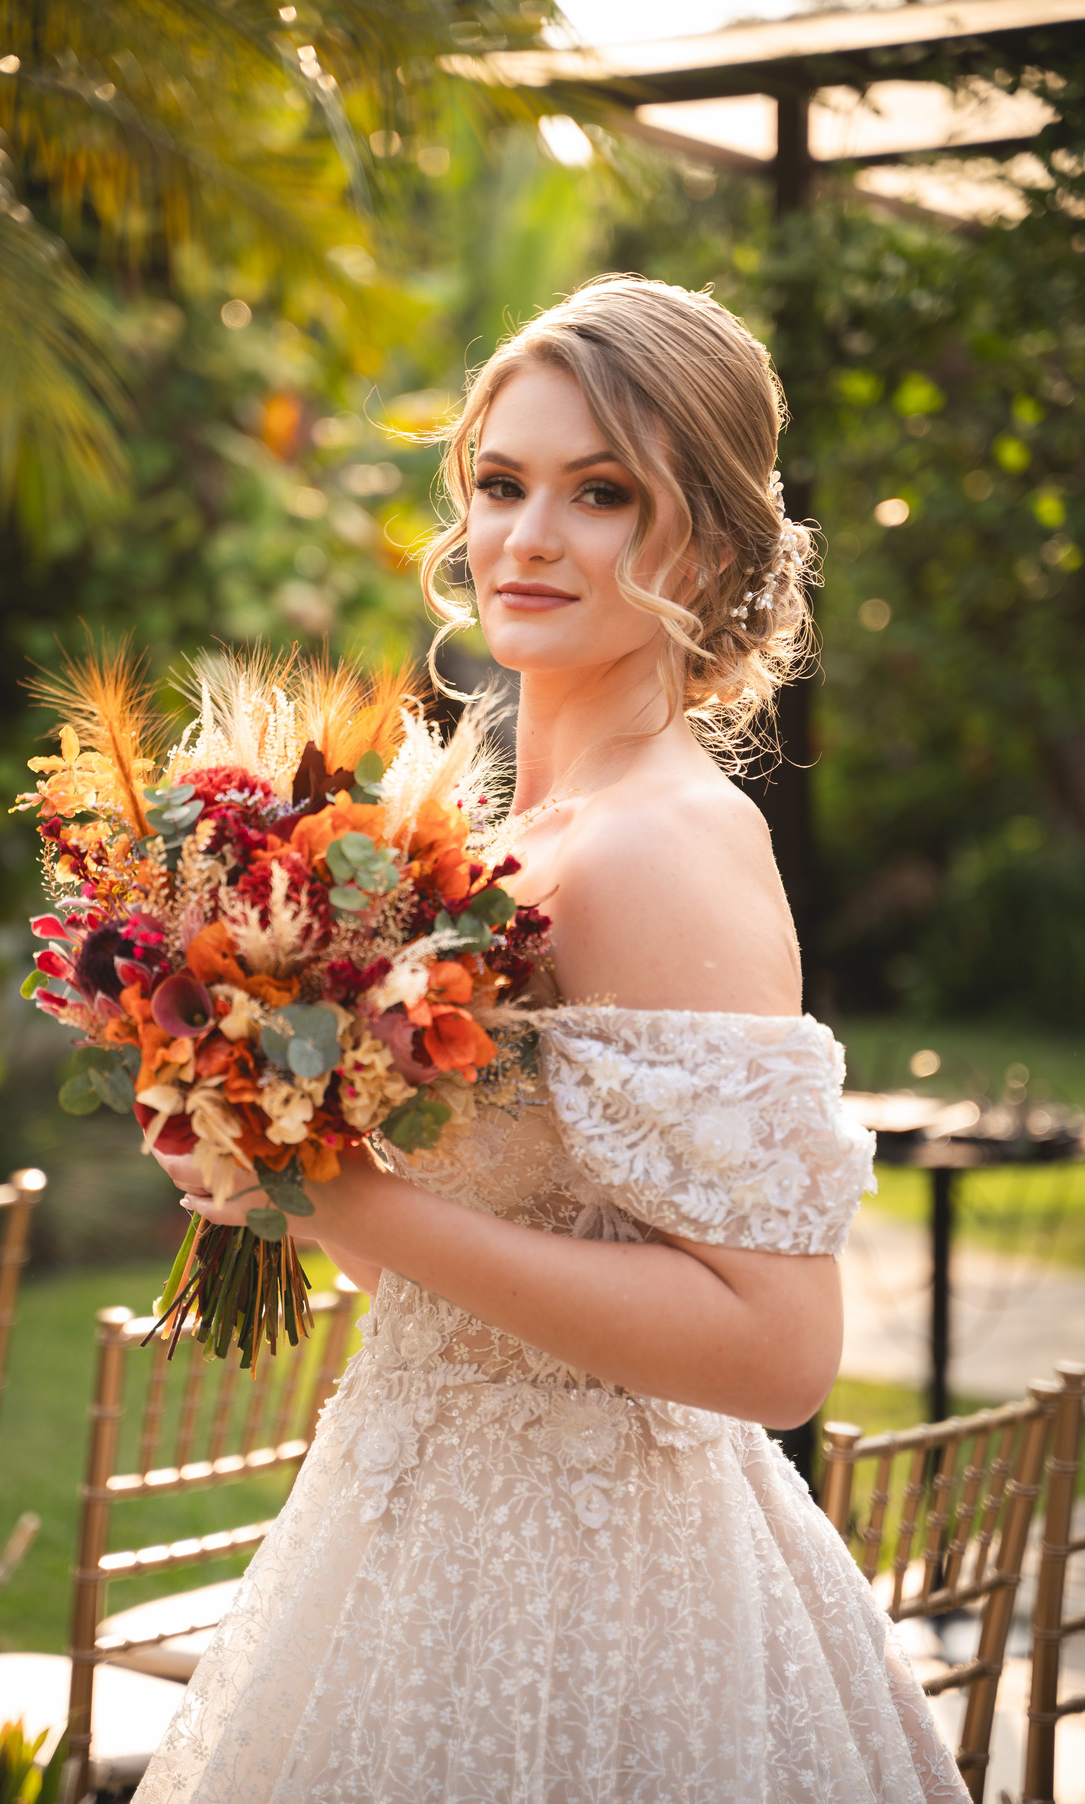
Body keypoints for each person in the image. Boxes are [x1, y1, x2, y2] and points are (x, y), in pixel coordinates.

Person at [135, 275, 968, 1802]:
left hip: (599, 1592)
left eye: (601, 493)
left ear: (708, 545)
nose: (527, 536)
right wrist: (261, 1150)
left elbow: (779, 1351)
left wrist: (342, 1196)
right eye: (504, 483)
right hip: (406, 1528)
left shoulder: (664, 845)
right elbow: (475, 1255)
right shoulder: (499, 846)